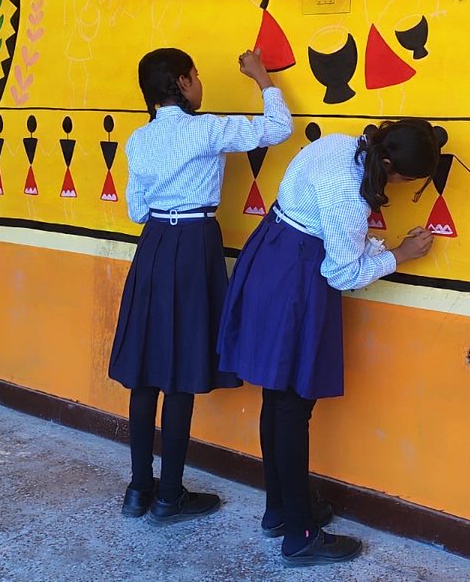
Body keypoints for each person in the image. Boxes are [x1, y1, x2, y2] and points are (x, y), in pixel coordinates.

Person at [218, 119, 440, 567]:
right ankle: (300, 535)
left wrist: (381, 248)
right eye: (405, 182)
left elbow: (336, 238)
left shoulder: (342, 144)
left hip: (272, 254)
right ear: (390, 164)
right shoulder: (348, 190)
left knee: (277, 398)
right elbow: (342, 272)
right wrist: (400, 255)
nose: (398, 190)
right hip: (296, 278)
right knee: (294, 405)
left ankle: (281, 511)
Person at [108, 47, 292, 524]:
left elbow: (135, 211)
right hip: (193, 245)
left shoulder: (139, 139)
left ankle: (138, 489)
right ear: (185, 84)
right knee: (180, 367)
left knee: (147, 369)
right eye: (196, 75)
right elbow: (278, 129)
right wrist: (263, 78)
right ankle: (170, 496)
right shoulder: (207, 129)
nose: (200, 83)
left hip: (152, 248)